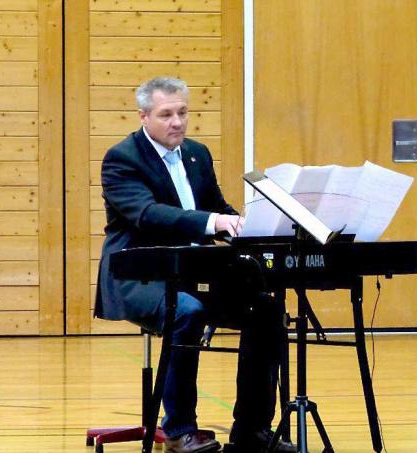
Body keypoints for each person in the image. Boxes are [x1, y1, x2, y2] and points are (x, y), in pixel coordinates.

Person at [95, 77, 296, 453]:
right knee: (186, 311)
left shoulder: (197, 154)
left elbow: (219, 208)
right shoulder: (122, 158)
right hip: (141, 273)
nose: (177, 122)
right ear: (144, 116)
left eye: (183, 113)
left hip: (195, 270)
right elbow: (147, 214)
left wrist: (251, 228)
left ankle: (252, 429)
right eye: (166, 114)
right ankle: (179, 430)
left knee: (266, 309)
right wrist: (211, 222)